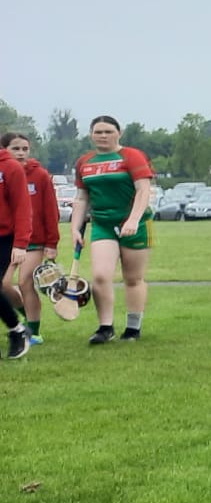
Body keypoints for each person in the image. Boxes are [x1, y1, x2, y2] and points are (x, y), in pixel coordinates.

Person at [71, 116, 156, 345]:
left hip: (136, 224)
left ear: (119, 133)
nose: (103, 136)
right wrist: (75, 228)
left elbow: (143, 190)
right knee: (100, 276)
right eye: (98, 132)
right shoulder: (85, 162)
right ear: (91, 135)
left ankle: (133, 327)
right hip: (103, 224)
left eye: (108, 131)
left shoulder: (132, 156)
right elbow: (82, 198)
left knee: (133, 278)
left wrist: (133, 220)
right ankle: (105, 327)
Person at [5, 133, 59, 345]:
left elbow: (50, 211)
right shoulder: (4, 173)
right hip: (8, 240)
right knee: (4, 285)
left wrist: (52, 243)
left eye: (25, 149)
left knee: (24, 282)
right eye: (15, 148)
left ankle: (34, 332)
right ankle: (24, 317)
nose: (21, 153)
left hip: (34, 241)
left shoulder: (40, 175)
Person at [0, 137, 30, 359]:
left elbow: (22, 208)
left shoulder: (10, 167)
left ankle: (16, 329)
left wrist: (20, 244)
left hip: (4, 237)